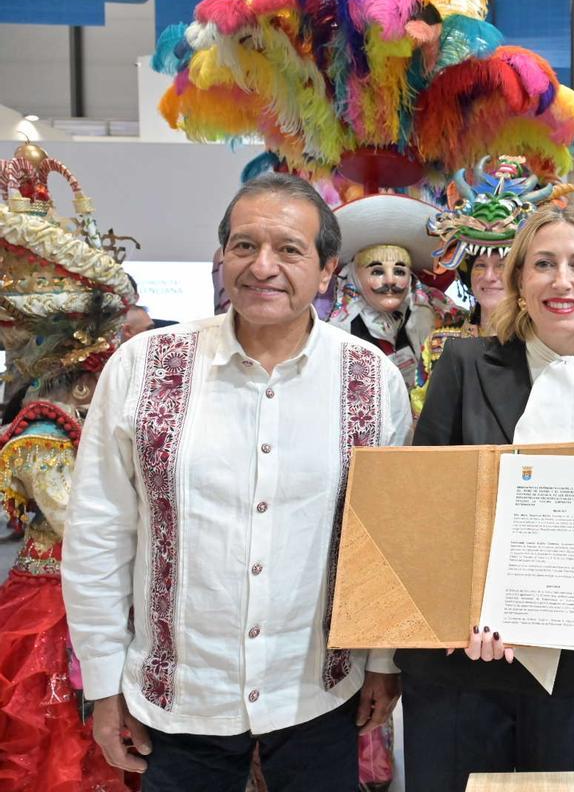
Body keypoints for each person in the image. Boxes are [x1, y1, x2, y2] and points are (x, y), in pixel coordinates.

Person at [61, 174, 411, 791]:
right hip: (180, 698)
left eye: (289, 249)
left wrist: (384, 660)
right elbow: (99, 532)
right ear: (222, 255)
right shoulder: (145, 366)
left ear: (327, 271)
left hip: (317, 693)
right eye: (245, 245)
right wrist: (104, 683)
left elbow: (386, 535)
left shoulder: (369, 378)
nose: (262, 266)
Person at [399, 205, 574, 791]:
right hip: (462, 657)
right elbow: (425, 506)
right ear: (519, 279)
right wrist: (453, 612)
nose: (561, 281)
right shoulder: (463, 364)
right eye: (544, 264)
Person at [0, 146, 137, 791]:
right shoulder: (43, 435)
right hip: (56, 605)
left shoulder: (77, 424)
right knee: (60, 748)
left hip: (102, 593)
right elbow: (80, 523)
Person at [414, 155, 574, 415]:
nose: (489, 276)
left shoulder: (546, 345)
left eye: (501, 265)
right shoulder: (440, 344)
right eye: (480, 265)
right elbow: (424, 421)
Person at [327, 192, 464, 391]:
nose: (390, 280)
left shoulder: (440, 316)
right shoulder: (333, 331)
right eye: (377, 271)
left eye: (399, 271)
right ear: (355, 277)